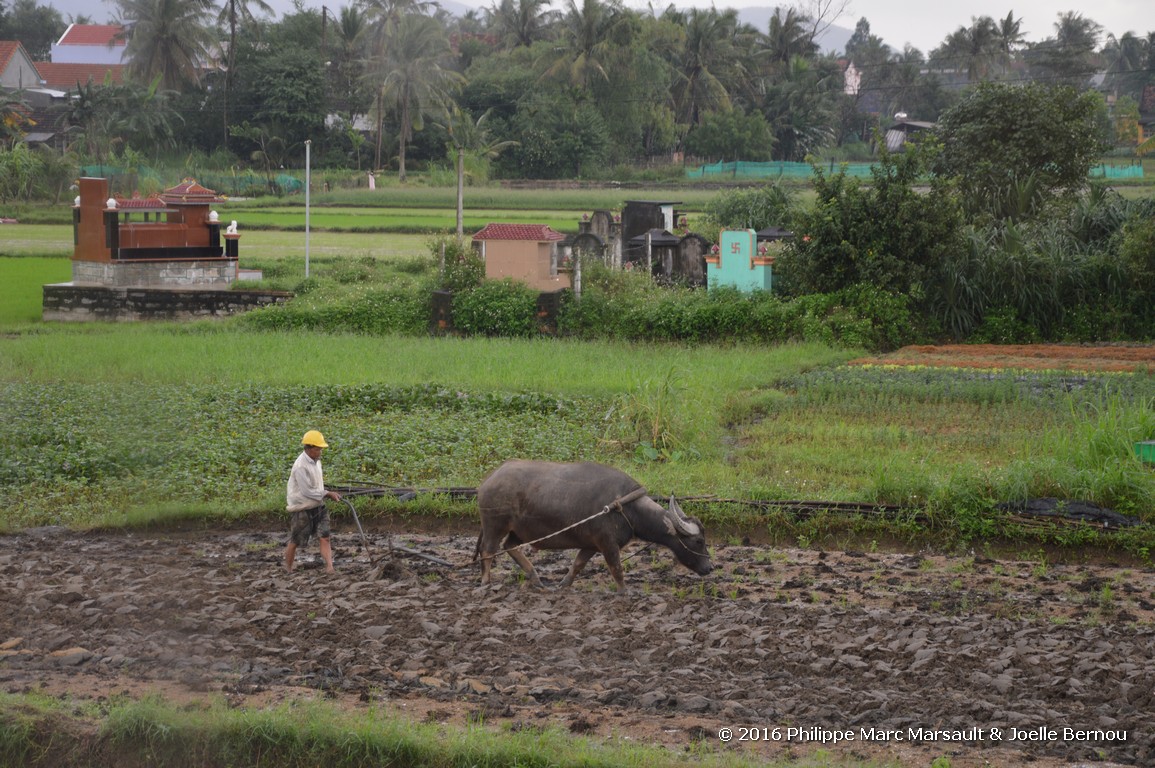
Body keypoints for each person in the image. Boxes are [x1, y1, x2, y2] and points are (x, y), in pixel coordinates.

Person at [284, 430, 342, 573]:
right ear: (308, 449)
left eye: (320, 449)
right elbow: (307, 491)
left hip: (318, 505)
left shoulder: (317, 462)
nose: (320, 452)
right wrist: (327, 493)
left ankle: (329, 567)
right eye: (317, 449)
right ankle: (288, 568)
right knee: (296, 540)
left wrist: (324, 493)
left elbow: (315, 486)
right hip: (302, 508)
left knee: (325, 536)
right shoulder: (300, 466)